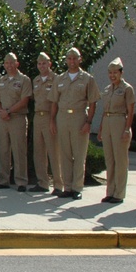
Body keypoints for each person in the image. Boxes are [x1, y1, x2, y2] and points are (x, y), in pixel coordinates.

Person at [49, 47, 101, 200]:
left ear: (80, 59)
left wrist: (89, 122)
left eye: (74, 58)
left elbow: (93, 102)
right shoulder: (60, 79)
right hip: (63, 117)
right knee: (64, 153)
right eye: (69, 58)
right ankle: (67, 187)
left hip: (79, 117)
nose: (71, 61)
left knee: (78, 155)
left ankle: (77, 187)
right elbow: (54, 102)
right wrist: (52, 120)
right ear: (66, 60)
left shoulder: (87, 79)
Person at [98, 57, 135, 204]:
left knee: (120, 160)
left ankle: (119, 193)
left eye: (115, 72)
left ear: (121, 73)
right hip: (107, 122)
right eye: (110, 73)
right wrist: (101, 129)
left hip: (120, 122)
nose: (112, 75)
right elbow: (104, 111)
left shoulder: (127, 89)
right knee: (110, 159)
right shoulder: (107, 89)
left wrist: (127, 129)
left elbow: (130, 111)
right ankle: (110, 191)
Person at [0, 53, 32, 191]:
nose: (9, 65)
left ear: (17, 64)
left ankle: (21, 181)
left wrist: (8, 111)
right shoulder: (2, 80)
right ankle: (3, 180)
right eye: (6, 63)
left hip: (17, 118)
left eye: (12, 63)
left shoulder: (24, 80)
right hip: (3, 119)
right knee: (3, 150)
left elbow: (24, 100)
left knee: (19, 150)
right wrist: (1, 112)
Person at [31, 52, 62, 194]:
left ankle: (58, 185)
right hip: (38, 117)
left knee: (53, 152)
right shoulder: (36, 80)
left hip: (51, 117)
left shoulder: (56, 79)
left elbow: (56, 101)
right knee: (39, 152)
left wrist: (53, 121)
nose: (41, 66)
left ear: (50, 63)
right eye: (39, 63)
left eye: (44, 63)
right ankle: (42, 183)